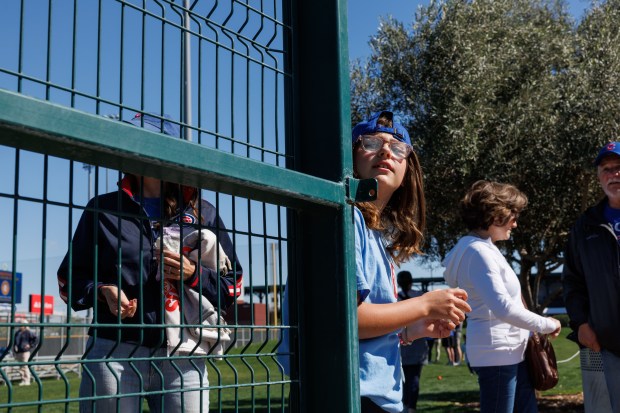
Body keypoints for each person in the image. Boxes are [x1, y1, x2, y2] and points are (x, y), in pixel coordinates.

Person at [279, 110, 471, 413]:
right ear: (351, 156)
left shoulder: (372, 233)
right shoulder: (346, 218)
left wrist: (413, 330)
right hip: (346, 397)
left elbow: (367, 332)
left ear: (408, 170)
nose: (385, 150)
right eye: (370, 142)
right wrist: (425, 304)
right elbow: (347, 321)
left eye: (397, 149)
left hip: (370, 397)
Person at [57, 113, 243, 412]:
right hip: (113, 349)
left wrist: (194, 274)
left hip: (184, 352)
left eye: (139, 140)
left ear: (165, 150)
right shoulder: (102, 208)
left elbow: (233, 286)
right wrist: (102, 290)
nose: (129, 147)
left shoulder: (203, 212)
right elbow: (69, 280)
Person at [442, 180, 561, 413]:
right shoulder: (478, 252)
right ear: (496, 215)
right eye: (513, 216)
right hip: (497, 354)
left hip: (507, 352)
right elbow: (503, 308)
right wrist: (548, 324)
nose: (515, 224)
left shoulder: (478, 248)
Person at [563, 141, 620, 412]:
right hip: (609, 344)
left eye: (619, 168)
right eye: (606, 169)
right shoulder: (585, 226)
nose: (613, 175)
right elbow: (573, 280)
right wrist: (581, 323)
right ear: (599, 177)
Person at [397, 271, 428, 413]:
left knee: (402, 378)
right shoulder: (421, 297)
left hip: (401, 345)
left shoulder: (394, 299)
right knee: (414, 378)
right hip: (418, 345)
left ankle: (403, 405)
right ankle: (411, 407)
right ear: (411, 281)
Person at [13, 320, 37, 386]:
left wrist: (30, 345)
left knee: (25, 366)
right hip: (19, 351)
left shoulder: (28, 332)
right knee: (21, 366)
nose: (20, 325)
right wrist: (14, 350)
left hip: (25, 351)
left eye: (21, 324)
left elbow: (35, 339)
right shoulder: (17, 332)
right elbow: (15, 342)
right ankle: (23, 380)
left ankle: (27, 380)